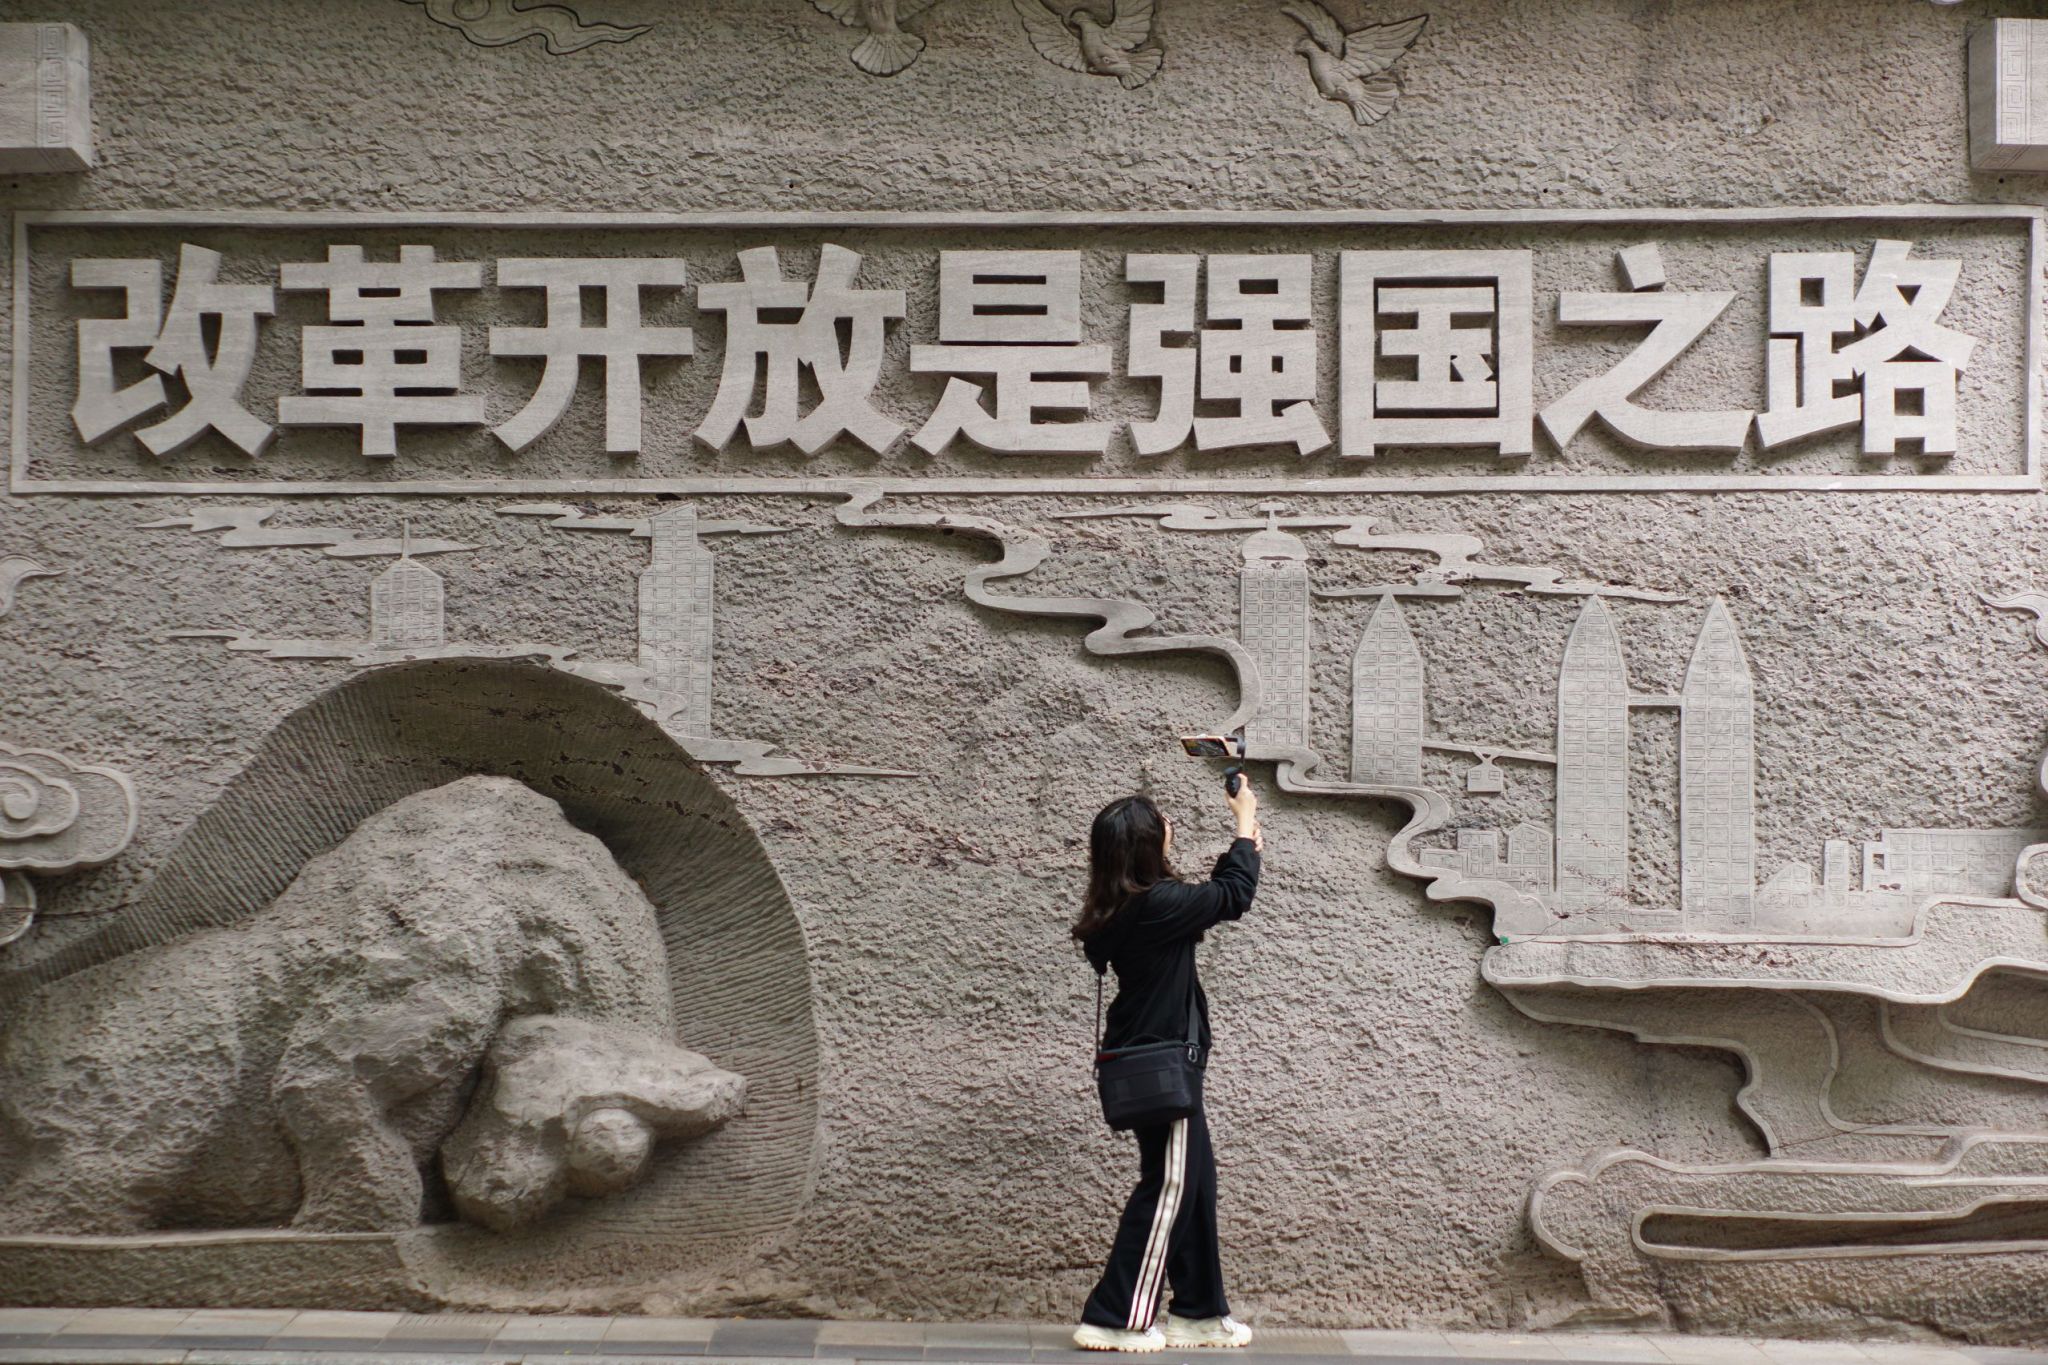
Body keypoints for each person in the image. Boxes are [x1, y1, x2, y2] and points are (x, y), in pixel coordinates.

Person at [1070, 778, 1262, 1353]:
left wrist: (1243, 843)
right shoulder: (1155, 905)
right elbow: (1233, 895)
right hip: (1163, 1064)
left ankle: (1199, 1313)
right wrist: (1244, 821)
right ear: (1147, 846)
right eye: (1161, 823)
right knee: (1171, 1185)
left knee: (1195, 1183)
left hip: (1153, 1058)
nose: (1170, 826)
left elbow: (1214, 895)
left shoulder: (1128, 906)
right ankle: (1115, 1316)